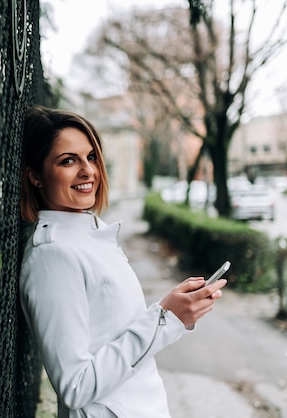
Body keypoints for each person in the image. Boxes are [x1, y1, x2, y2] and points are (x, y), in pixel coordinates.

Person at [18, 105, 227, 418]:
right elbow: (75, 386)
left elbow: (114, 330)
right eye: (67, 160)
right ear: (35, 176)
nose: (88, 170)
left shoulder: (89, 235)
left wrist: (175, 310)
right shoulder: (53, 256)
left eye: (91, 157)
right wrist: (165, 317)